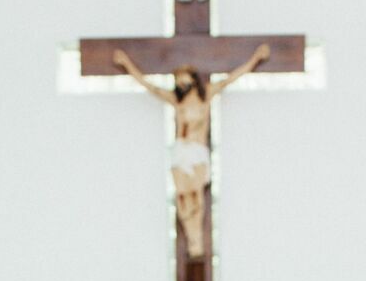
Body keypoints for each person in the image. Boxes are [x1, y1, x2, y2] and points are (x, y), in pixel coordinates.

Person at [113, 46, 270, 257]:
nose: (181, 84)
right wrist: (126, 63)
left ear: (193, 80)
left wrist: (256, 58)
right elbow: (149, 87)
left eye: (184, 80)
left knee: (196, 196)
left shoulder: (206, 97)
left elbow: (233, 77)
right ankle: (191, 239)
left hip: (197, 151)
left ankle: (197, 241)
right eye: (178, 81)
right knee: (183, 198)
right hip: (181, 151)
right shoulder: (176, 102)